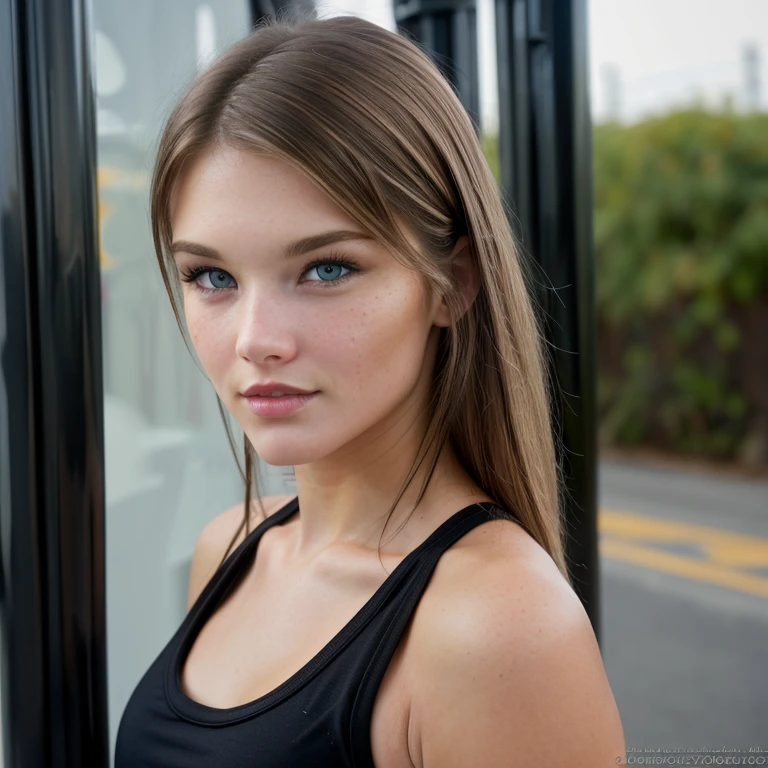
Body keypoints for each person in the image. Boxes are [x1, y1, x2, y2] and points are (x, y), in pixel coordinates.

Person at [115, 12, 626, 767]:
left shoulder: (495, 628)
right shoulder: (227, 549)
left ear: (452, 283)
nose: (257, 338)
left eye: (326, 269)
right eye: (211, 276)